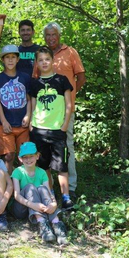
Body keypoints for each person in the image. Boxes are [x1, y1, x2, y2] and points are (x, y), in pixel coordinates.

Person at [34, 22, 86, 200]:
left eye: (53, 34)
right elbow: (36, 82)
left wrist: (68, 97)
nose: (51, 38)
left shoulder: (70, 52)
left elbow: (81, 77)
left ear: (59, 35)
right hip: (45, 116)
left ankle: (70, 188)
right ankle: (48, 188)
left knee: (66, 147)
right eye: (47, 35)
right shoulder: (41, 55)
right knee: (45, 152)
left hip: (65, 113)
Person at [29, 46, 74, 210]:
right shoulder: (34, 83)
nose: (44, 62)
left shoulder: (62, 80)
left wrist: (64, 125)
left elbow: (69, 105)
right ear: (36, 63)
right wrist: (30, 124)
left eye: (47, 59)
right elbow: (33, 105)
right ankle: (50, 194)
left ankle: (66, 197)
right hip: (39, 130)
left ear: (53, 60)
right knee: (43, 165)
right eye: (40, 60)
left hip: (57, 131)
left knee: (61, 166)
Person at [11, 142, 68, 245]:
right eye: (25, 157)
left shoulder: (42, 172)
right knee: (30, 187)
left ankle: (56, 224)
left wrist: (53, 203)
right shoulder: (18, 172)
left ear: (37, 156)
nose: (28, 160)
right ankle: (42, 223)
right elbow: (16, 195)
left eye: (31, 156)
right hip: (21, 208)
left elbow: (47, 191)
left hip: (39, 208)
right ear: (20, 159)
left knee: (42, 189)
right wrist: (32, 205)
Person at [0, 45, 31, 174]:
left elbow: (29, 99)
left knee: (24, 157)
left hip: (22, 125)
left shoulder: (25, 77)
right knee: (8, 157)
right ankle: (8, 185)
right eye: (7, 57)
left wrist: (28, 116)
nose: (10, 60)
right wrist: (4, 121)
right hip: (5, 126)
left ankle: (24, 184)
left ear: (18, 59)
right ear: (2, 60)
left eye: (13, 57)